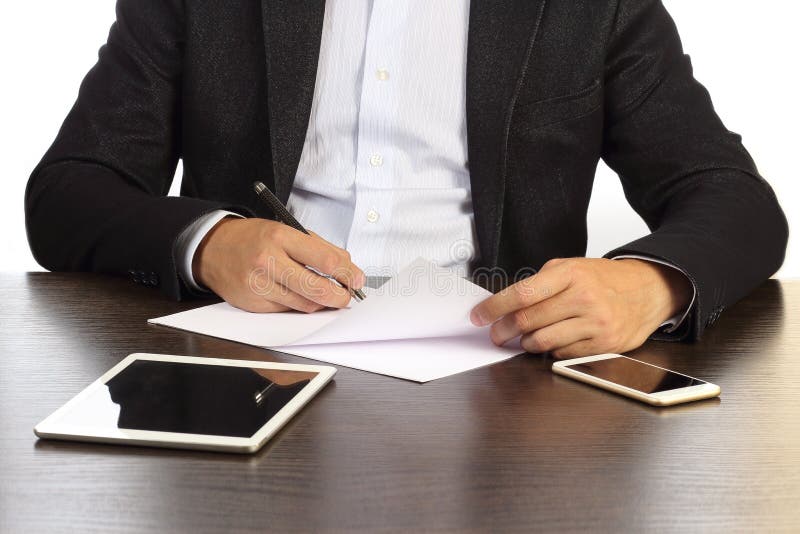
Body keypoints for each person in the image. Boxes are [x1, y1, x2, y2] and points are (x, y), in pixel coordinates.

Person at [25, 0, 787, 359]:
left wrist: (647, 285)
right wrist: (207, 241)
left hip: (505, 374)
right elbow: (66, 191)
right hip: (250, 359)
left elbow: (736, 199)